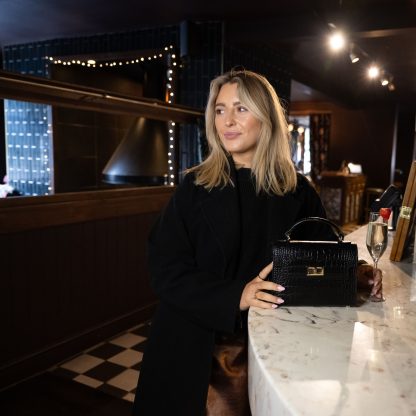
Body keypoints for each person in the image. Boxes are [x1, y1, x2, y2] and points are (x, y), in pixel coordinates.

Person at [132, 69, 382, 416]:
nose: (227, 121)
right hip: (194, 345)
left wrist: (357, 272)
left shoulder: (296, 189)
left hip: (275, 342)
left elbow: (323, 254)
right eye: (219, 110)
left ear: (265, 117)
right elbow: (164, 270)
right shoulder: (194, 187)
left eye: (240, 109)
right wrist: (236, 295)